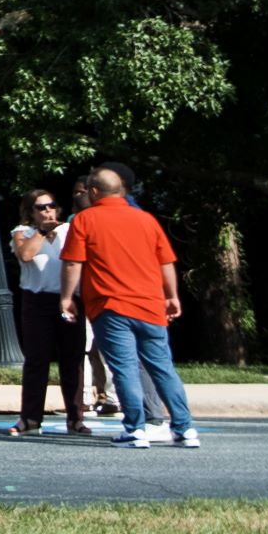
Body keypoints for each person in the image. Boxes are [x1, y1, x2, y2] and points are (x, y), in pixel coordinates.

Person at [57, 166, 195, 449]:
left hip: (110, 305)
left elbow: (73, 262)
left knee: (124, 369)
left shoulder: (85, 220)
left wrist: (66, 296)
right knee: (163, 367)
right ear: (120, 190)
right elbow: (166, 262)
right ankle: (184, 427)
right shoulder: (145, 220)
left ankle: (135, 429)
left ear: (94, 191)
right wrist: (171, 296)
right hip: (150, 304)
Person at [7, 187, 90, 438]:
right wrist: (42, 231)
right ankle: (30, 417)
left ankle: (76, 418)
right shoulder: (23, 233)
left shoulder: (70, 230)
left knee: (73, 360)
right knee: (36, 360)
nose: (48, 211)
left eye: (51, 206)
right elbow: (26, 255)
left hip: (70, 299)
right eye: (41, 207)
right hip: (37, 300)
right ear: (31, 212)